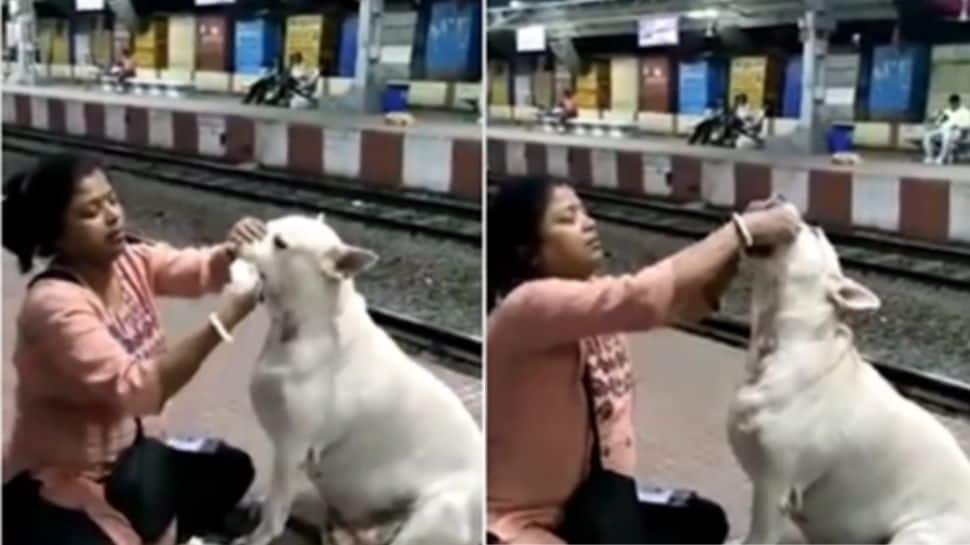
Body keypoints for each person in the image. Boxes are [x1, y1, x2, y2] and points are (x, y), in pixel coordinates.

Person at [486, 177, 801, 544]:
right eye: (567, 218)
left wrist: (738, 250)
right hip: (527, 523)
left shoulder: (586, 296)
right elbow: (644, 297)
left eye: (585, 212)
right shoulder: (526, 307)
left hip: (595, 504)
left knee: (702, 522)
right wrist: (741, 231)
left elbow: (684, 303)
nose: (588, 223)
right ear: (530, 251)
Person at [2, 153, 267, 545]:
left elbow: (195, 270)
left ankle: (157, 523)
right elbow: (136, 390)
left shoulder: (130, 260)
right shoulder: (54, 305)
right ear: (57, 234)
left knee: (232, 469)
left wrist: (236, 252)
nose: (111, 216)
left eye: (111, 200)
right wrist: (224, 323)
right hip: (63, 473)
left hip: (131, 459)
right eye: (90, 212)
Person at [922, 93, 970, 164]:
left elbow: (968, 124)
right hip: (943, 130)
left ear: (958, 102)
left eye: (955, 103)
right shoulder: (947, 111)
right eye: (951, 103)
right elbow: (938, 122)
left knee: (946, 136)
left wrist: (958, 125)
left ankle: (941, 158)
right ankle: (930, 157)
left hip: (957, 132)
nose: (953, 105)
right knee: (928, 135)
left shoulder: (965, 112)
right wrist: (932, 119)